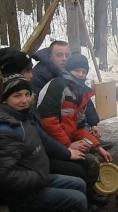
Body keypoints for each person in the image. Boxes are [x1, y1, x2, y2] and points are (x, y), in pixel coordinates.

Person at [0, 47, 108, 208]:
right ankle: (82, 200)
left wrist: (96, 145)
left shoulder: (25, 114)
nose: (32, 75)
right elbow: (49, 125)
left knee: (84, 166)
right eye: (17, 96)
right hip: (31, 180)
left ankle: (85, 198)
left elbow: (76, 125)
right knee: (82, 168)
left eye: (27, 95)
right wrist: (67, 147)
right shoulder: (10, 124)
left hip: (40, 160)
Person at [0, 73, 88, 212]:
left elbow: (44, 140)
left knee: (80, 184)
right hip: (23, 194)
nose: (25, 100)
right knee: (78, 199)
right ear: (5, 100)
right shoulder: (6, 130)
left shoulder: (23, 117)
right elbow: (5, 177)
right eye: (17, 96)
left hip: (38, 178)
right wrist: (39, 176)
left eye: (27, 94)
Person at [31, 41, 112, 150]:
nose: (64, 59)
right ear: (50, 56)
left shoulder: (74, 73)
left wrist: (94, 123)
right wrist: (67, 144)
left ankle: (85, 139)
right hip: (45, 120)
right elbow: (42, 111)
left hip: (66, 120)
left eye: (67, 55)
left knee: (79, 118)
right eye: (59, 55)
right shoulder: (40, 75)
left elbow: (84, 99)